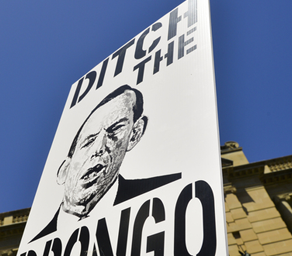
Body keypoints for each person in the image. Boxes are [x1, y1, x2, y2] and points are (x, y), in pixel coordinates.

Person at [31, 85, 180, 242]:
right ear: (64, 171)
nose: (99, 148)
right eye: (88, 141)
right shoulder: (35, 248)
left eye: (114, 130)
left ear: (134, 135)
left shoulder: (169, 191)